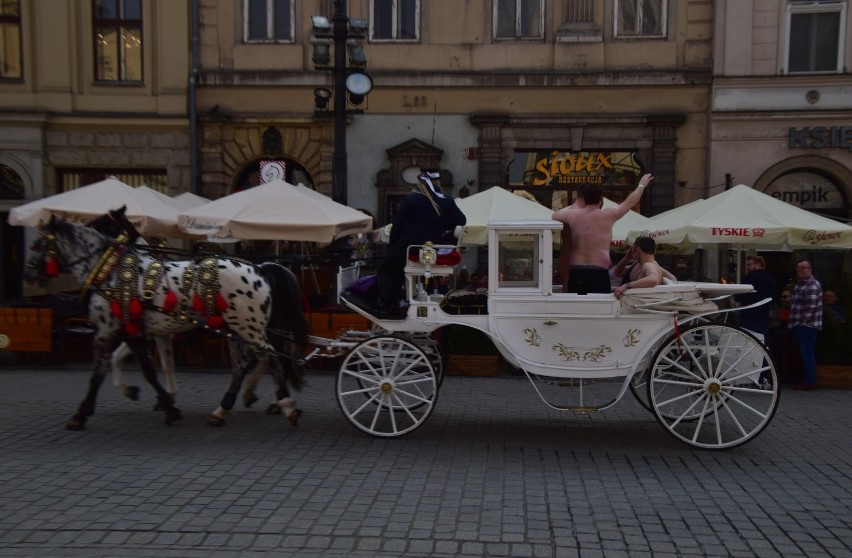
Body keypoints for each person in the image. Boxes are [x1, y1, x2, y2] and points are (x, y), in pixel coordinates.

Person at [375, 169, 467, 317]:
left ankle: (387, 304)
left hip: (410, 244)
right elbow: (461, 221)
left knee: (386, 269)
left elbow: (398, 224)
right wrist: (443, 227)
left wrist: (392, 246)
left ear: (421, 183)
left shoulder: (412, 198)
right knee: (397, 267)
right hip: (433, 247)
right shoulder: (447, 200)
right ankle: (397, 301)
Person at [552, 173, 654, 294]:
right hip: (598, 271)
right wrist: (641, 185)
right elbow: (629, 202)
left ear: (583, 199)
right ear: (601, 198)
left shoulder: (573, 215)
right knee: (601, 309)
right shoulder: (608, 215)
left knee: (578, 308)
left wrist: (577, 204)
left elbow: (555, 215)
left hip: (577, 270)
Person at [788, 261, 822, 390]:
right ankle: (803, 380)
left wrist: (803, 322)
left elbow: (811, 306)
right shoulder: (800, 284)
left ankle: (809, 381)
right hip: (799, 325)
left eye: (803, 268)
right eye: (798, 268)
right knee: (802, 354)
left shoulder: (812, 284)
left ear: (810, 269)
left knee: (807, 353)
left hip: (807, 326)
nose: (800, 270)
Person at [734, 255, 778, 347]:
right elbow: (774, 300)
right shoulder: (771, 280)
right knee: (763, 346)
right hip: (763, 318)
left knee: (746, 345)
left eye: (749, 265)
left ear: (758, 264)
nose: (747, 267)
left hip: (747, 317)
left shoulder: (748, 278)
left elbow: (738, 297)